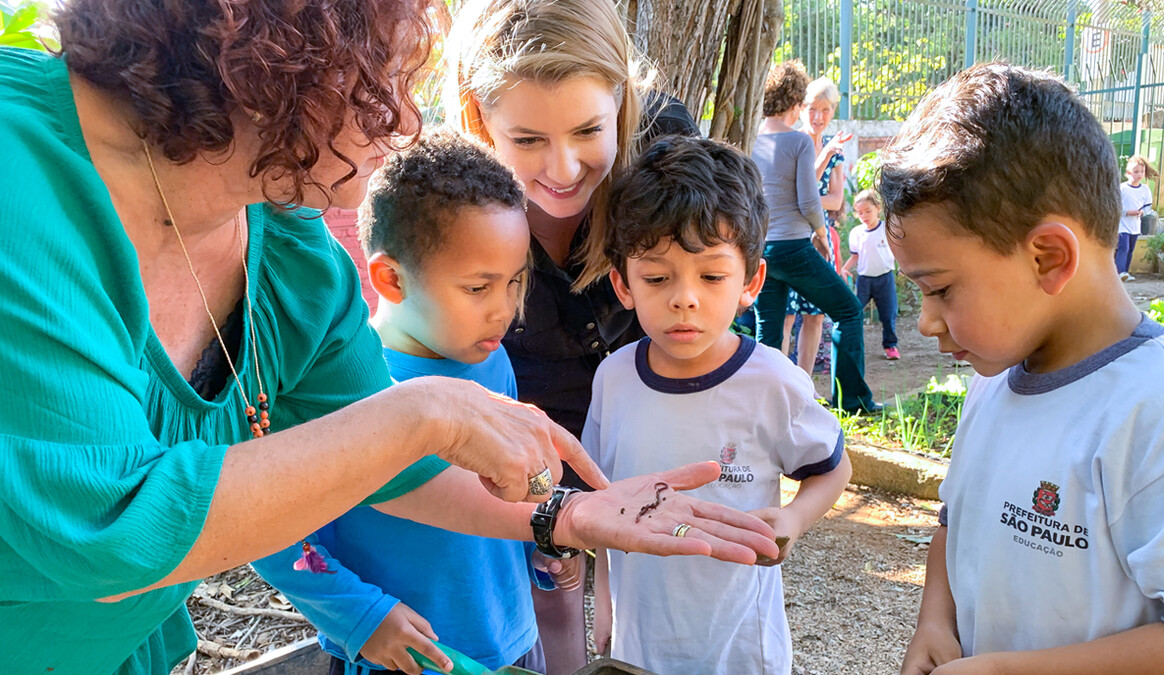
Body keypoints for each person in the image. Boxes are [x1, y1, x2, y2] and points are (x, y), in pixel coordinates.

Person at [0, 1, 780, 672]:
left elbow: (390, 473)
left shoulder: (289, 249)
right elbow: (114, 532)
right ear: (273, 62)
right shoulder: (21, 175)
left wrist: (562, 516)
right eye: (382, 81)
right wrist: (423, 414)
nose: (407, 119)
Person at [881, 63, 1164, 675]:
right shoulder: (993, 377)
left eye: (941, 289)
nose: (926, 322)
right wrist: (935, 619)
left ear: (1048, 256)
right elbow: (957, 514)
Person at [253, 131, 576, 675]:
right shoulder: (334, 387)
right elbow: (272, 535)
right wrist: (360, 617)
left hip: (511, 637)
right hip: (402, 655)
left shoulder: (492, 359)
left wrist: (541, 539)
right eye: (478, 288)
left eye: (515, 283)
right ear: (391, 278)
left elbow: (519, 478)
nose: (504, 310)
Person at [442, 0, 700, 670]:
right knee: (548, 601)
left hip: (651, 429)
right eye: (528, 140)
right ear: (477, 116)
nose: (562, 168)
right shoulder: (447, 204)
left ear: (622, 98)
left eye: (588, 130)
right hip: (525, 442)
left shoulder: (667, 158)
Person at [587, 136, 852, 674]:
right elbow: (605, 502)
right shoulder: (613, 379)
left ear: (751, 280)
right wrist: (605, 602)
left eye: (711, 276)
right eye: (658, 278)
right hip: (640, 645)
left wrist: (795, 519)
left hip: (741, 649)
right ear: (623, 284)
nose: (685, 297)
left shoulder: (774, 381)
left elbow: (833, 467)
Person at [751, 60, 879, 412]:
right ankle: (852, 402)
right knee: (849, 311)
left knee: (770, 330)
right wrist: (821, 235)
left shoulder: (751, 141)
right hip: (795, 247)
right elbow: (809, 201)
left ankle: (766, 405)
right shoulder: (797, 141)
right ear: (795, 102)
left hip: (762, 250)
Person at [788, 76, 856, 375]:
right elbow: (794, 195)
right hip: (791, 236)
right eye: (813, 108)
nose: (818, 117)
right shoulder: (791, 143)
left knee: (815, 314)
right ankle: (780, 385)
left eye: (826, 110)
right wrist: (813, 194)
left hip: (822, 238)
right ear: (801, 108)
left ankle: (803, 383)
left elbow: (837, 200)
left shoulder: (836, 150)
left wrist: (808, 198)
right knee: (786, 315)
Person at [842, 189, 899, 360]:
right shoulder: (856, 233)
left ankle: (890, 346)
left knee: (888, 314)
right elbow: (855, 256)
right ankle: (850, 346)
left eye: (868, 211)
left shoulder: (887, 229)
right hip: (864, 279)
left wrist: (904, 266)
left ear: (878, 208)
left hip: (885, 277)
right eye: (860, 213)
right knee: (855, 311)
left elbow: (898, 250)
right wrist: (844, 269)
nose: (864, 216)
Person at [1117, 155, 1157, 281]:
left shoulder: (1145, 190)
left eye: (1142, 172)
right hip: (1122, 224)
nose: (1139, 174)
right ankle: (1120, 272)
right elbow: (1115, 206)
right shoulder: (1122, 188)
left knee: (1131, 249)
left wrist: (1141, 213)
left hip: (1135, 225)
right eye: (1136, 172)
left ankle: (1125, 272)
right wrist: (1127, 212)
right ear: (1128, 173)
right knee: (1123, 247)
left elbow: (1147, 206)